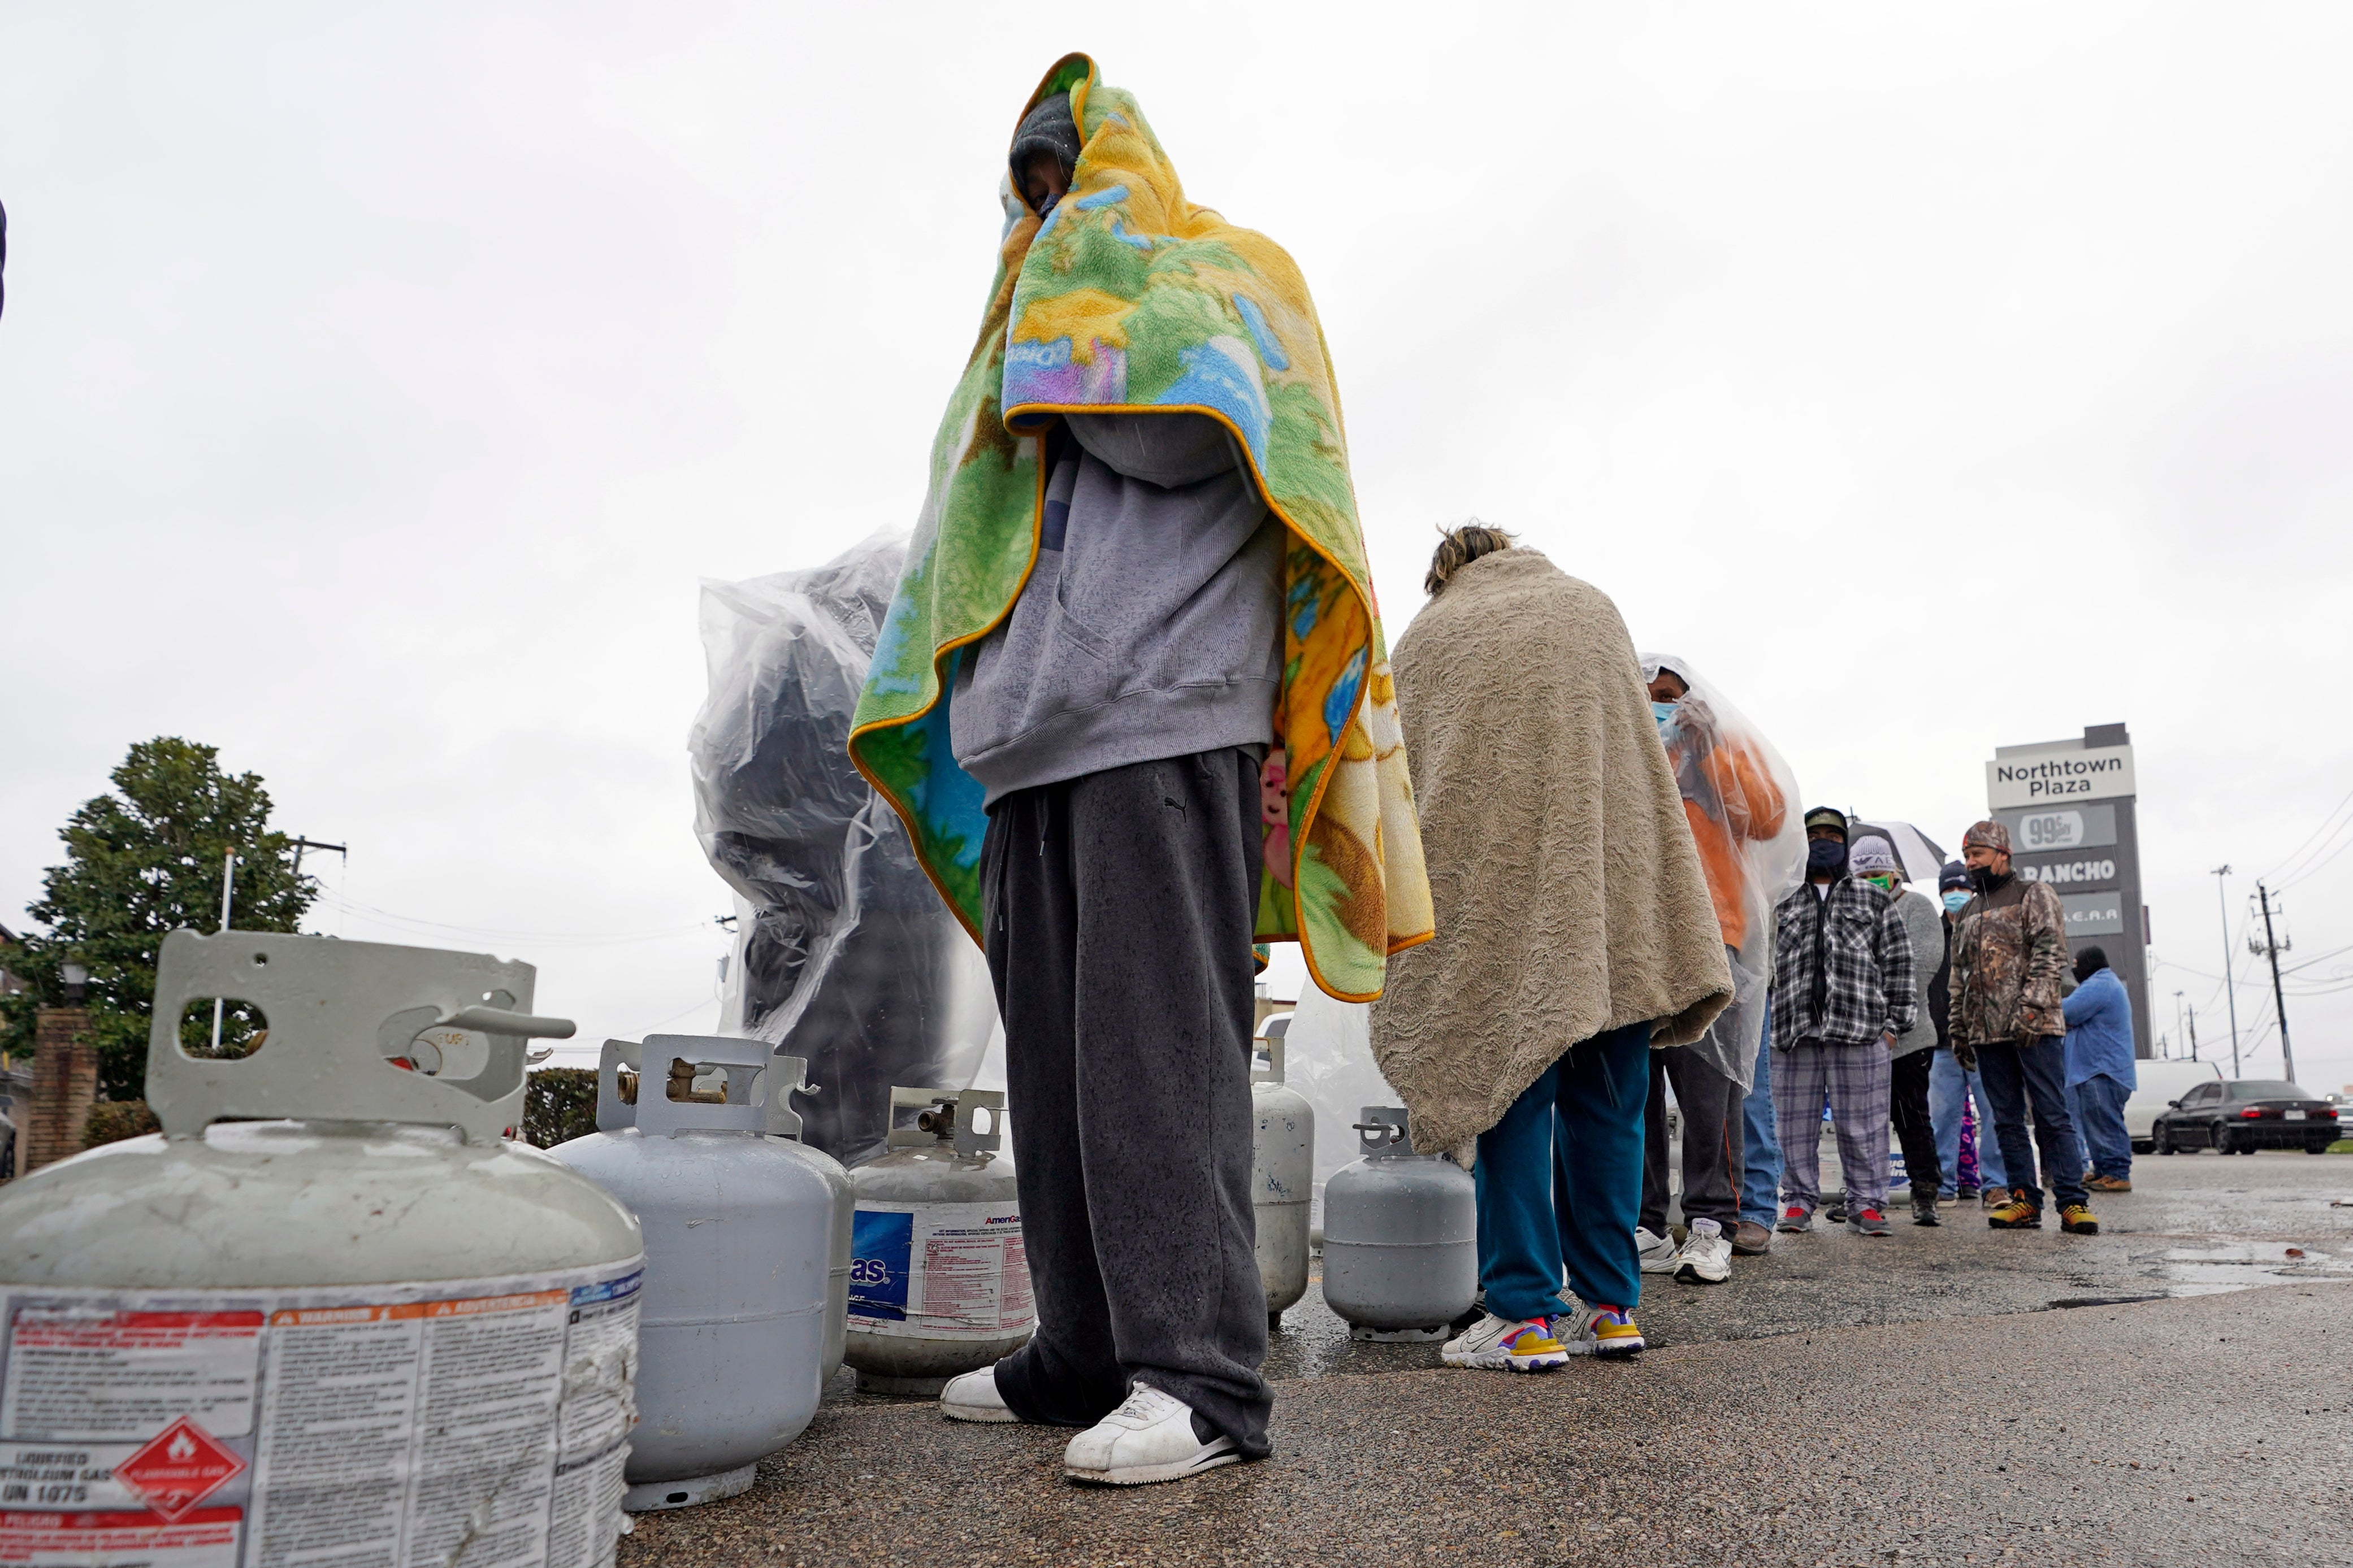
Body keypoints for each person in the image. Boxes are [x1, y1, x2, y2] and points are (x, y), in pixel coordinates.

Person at [850, 58, 1433, 1486]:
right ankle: (1085, 1345)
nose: (1041, 212)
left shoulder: (1221, 271)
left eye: (1062, 180)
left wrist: (1058, 329)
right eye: (1028, 193)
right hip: (1032, 737)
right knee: (1052, 1064)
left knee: (1153, 1055)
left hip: (1167, 716)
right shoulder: (1032, 316)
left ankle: (1202, 1376)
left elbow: (1193, 437)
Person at [1370, 526, 1731, 1370]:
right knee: (1610, 1105)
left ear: (1443, 573)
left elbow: (1405, 770)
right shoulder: (1591, 610)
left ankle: (1524, 1315)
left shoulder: (1431, 635)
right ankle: (1611, 1308)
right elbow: (1638, 768)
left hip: (1494, 902)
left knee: (1504, 1095)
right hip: (1607, 908)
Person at [1632, 655, 1801, 1275]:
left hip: (1711, 940)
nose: (1661, 708)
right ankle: (1645, 1225)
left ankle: (1709, 1226)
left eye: (1671, 697)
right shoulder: (1624, 757)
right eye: (1648, 696)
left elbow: (1769, 816)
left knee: (1711, 1092)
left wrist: (1706, 750)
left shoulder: (1715, 756)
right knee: (1634, 1093)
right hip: (1635, 944)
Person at [1767, 808, 1916, 1237]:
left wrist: (1893, 1026)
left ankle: (1866, 1204)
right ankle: (1797, 1201)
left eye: (1833, 835)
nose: (1824, 842)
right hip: (1792, 1033)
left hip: (1860, 1031)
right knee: (1792, 1127)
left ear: (1845, 844)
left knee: (1864, 1126)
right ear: (1801, 840)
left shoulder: (1871, 898)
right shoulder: (1780, 897)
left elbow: (1899, 962)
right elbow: (1762, 962)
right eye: (1814, 835)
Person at [1950, 822, 2098, 1235]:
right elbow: (1958, 977)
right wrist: (1958, 1029)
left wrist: (2032, 1008)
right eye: (1966, 855)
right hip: (1986, 1034)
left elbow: (2049, 950)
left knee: (2052, 1115)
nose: (1970, 863)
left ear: (2002, 853)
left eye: (1977, 854)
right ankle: (2024, 1200)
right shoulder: (1966, 912)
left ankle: (2072, 1201)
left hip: (2035, 1028)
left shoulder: (2034, 893)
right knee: (2006, 1120)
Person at [1852, 837, 1944, 1225]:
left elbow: (1921, 967)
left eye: (1876, 875)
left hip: (1908, 1037)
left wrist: (1890, 1020)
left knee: (1911, 1119)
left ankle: (1925, 1193)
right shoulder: (1852, 912)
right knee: (1861, 1124)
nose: (1871, 882)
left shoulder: (1917, 907)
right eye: (1862, 876)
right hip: (1861, 1037)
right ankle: (1863, 1196)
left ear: (1892, 872)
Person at [1926, 859, 2008, 1205]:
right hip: (1942, 1042)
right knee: (1941, 1117)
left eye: (1962, 888)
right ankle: (1942, 1185)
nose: (1955, 895)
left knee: (1994, 1115)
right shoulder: (1931, 932)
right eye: (1949, 889)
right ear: (1941, 893)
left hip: (1984, 1041)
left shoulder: (1988, 927)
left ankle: (1996, 1185)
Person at [2062, 945, 2137, 1193]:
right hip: (2099, 1069)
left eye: (2077, 965)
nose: (2075, 971)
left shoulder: (2099, 984)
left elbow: (2067, 1012)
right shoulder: (2103, 984)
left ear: (2089, 964)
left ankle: (2117, 1173)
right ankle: (2105, 1171)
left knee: (2105, 1123)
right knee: (2097, 1123)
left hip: (2102, 1070)